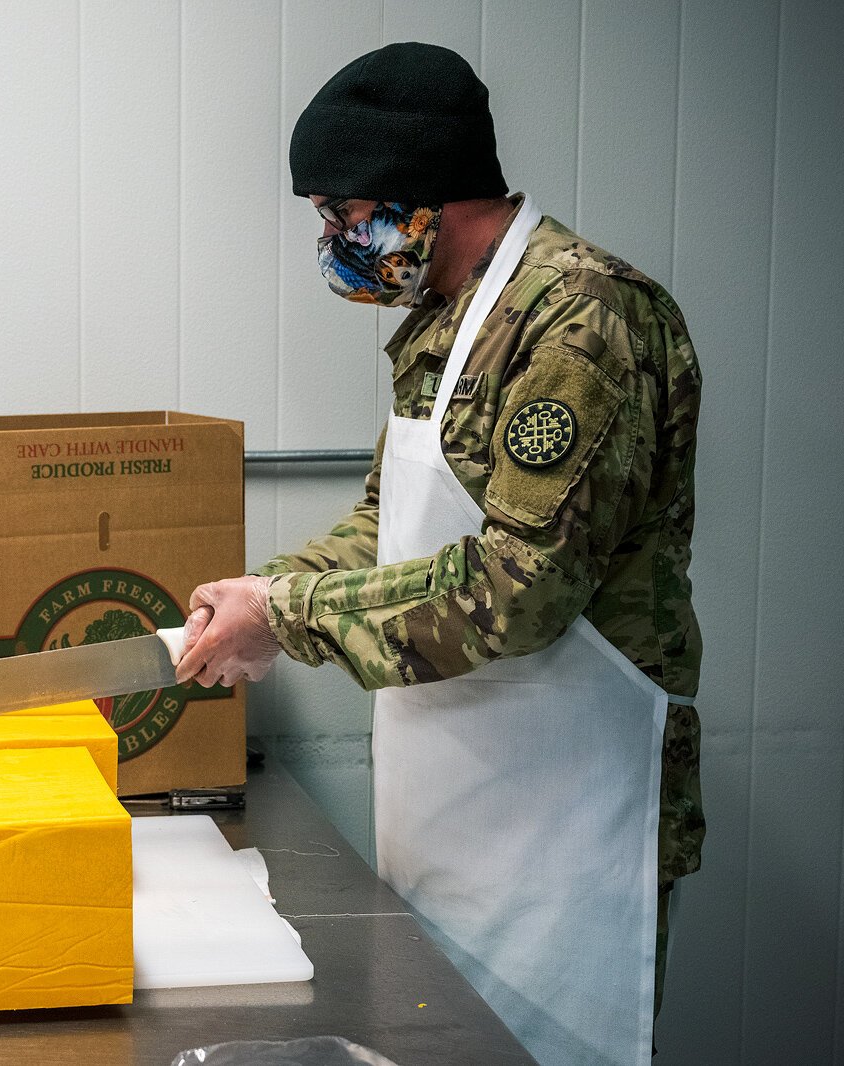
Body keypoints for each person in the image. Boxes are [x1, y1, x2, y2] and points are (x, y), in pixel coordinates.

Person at [176, 43, 703, 1066]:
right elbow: (392, 521)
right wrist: (267, 589)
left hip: (569, 820)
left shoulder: (579, 319)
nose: (331, 239)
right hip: (464, 799)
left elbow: (521, 588)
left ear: (422, 195)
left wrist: (288, 619)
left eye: (340, 213)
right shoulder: (449, 321)